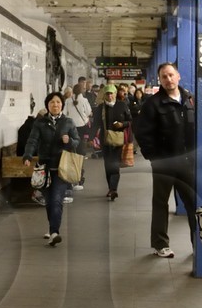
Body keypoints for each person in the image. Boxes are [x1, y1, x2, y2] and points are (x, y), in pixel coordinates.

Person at [134, 62, 199, 258]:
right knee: (161, 203)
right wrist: (154, 157)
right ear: (160, 80)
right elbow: (142, 133)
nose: (168, 79)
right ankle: (160, 244)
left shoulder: (190, 100)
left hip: (188, 162)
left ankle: (199, 246)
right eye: (164, 77)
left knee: (194, 204)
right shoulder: (153, 104)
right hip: (164, 163)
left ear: (178, 76)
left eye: (171, 75)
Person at [22, 91, 82, 246]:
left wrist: (69, 141)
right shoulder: (40, 123)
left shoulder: (68, 122)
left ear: (62, 104)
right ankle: (52, 228)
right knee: (49, 201)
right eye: (52, 103)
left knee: (56, 200)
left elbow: (77, 141)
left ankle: (55, 232)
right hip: (44, 168)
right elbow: (32, 140)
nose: (55, 105)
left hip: (62, 168)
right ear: (47, 105)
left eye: (58, 102)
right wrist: (27, 156)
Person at [95, 86, 131, 201]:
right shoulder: (101, 108)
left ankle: (114, 189)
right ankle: (110, 187)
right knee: (107, 164)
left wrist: (122, 124)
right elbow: (96, 124)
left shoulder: (122, 106)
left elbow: (129, 120)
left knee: (114, 164)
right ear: (104, 95)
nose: (110, 96)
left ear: (115, 94)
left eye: (112, 94)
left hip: (117, 140)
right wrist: (91, 138)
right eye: (107, 94)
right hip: (105, 141)